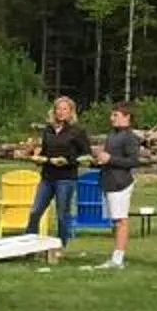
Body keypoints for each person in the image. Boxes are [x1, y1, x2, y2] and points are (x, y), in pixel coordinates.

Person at [21, 94, 93, 257]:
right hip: (47, 177)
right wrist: (37, 158)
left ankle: (60, 246)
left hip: (66, 178)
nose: (61, 112)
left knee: (62, 214)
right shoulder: (48, 131)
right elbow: (45, 152)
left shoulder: (77, 131)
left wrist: (67, 161)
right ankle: (28, 246)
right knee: (35, 211)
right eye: (58, 109)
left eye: (64, 109)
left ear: (71, 112)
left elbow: (87, 155)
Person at [96, 101, 144, 269]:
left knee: (121, 220)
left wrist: (110, 159)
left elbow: (133, 161)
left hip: (120, 183)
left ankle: (118, 259)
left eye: (115, 115)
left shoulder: (130, 137)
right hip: (109, 181)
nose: (111, 118)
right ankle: (115, 256)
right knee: (116, 221)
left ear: (127, 116)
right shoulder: (112, 135)